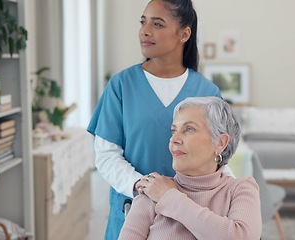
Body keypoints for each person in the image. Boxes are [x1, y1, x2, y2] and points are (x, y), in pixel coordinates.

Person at [87, 0, 233, 239]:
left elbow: (217, 157)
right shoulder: (121, 85)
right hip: (130, 212)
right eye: (143, 22)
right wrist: (144, 187)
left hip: (188, 216)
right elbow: (106, 155)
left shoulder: (208, 92)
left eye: (157, 24)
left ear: (184, 33)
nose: (145, 31)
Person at [119, 96, 262, 239]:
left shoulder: (241, 189)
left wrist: (169, 198)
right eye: (174, 130)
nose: (174, 139)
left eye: (189, 129)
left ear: (220, 142)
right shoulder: (152, 192)